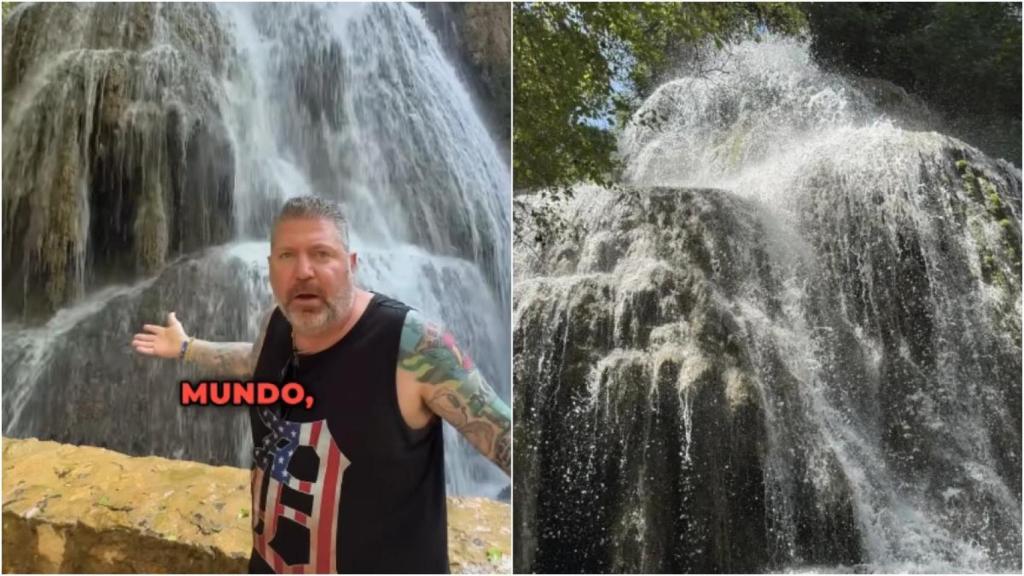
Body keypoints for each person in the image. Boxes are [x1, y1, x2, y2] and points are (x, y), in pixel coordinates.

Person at [131, 196, 510, 574]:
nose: (303, 272)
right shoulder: (277, 324)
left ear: (352, 264)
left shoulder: (413, 345)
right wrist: (186, 347)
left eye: (321, 253)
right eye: (287, 256)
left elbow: (509, 442)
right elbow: (254, 360)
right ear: (270, 267)